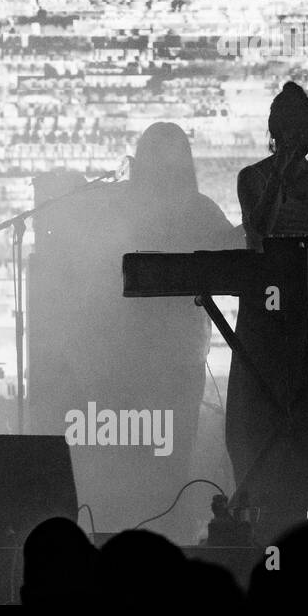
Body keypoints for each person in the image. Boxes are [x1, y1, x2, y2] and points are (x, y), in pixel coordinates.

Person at [29, 123, 236, 540]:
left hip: (163, 358)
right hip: (137, 356)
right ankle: (143, 530)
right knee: (143, 454)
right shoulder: (171, 207)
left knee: (156, 454)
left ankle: (148, 529)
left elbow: (230, 258)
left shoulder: (195, 209)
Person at [229, 81, 308, 535]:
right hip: (268, 308)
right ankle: (265, 507)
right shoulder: (253, 177)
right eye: (293, 132)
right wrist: (280, 176)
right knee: (266, 404)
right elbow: (256, 232)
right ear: (278, 133)